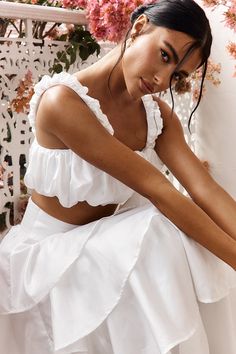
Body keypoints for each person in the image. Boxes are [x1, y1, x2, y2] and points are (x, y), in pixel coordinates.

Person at [0, 0, 236, 353]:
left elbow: (204, 189)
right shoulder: (61, 102)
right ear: (138, 27)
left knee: (182, 238)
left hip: (105, 252)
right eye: (165, 56)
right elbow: (159, 190)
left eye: (176, 76)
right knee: (160, 226)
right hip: (47, 264)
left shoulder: (156, 117)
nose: (161, 80)